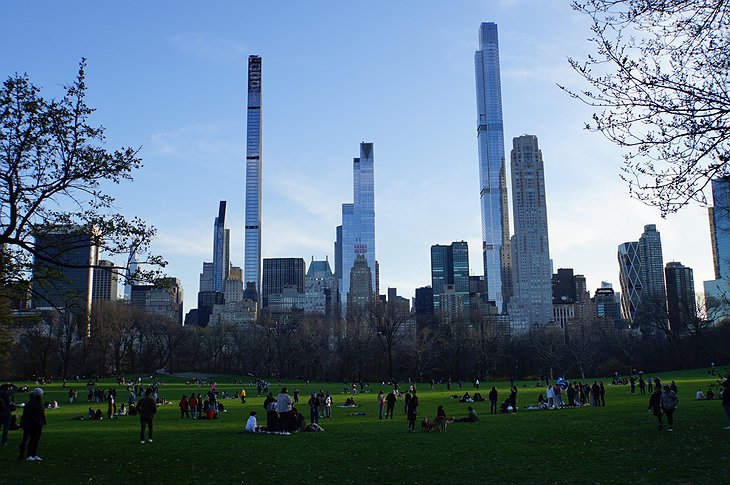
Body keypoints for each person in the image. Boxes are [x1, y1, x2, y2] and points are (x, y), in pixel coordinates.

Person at [18, 388, 46, 461]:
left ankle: (33, 454)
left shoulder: (37, 402)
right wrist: (37, 421)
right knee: (31, 439)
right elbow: (29, 414)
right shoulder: (32, 403)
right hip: (32, 424)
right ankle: (29, 454)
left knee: (35, 439)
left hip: (37, 423)